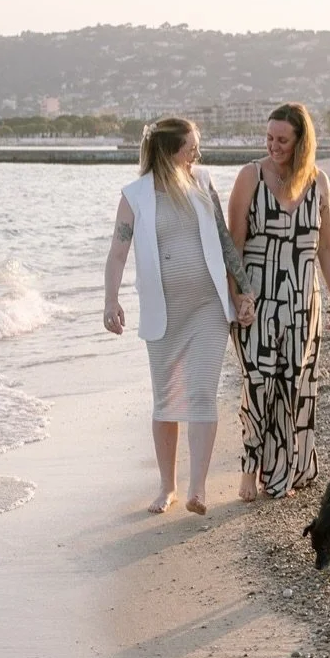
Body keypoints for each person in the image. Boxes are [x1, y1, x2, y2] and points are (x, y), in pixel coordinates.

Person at [103, 117, 255, 515]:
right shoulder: (135, 196)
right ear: (170, 152)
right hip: (164, 314)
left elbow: (224, 240)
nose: (197, 154)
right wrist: (110, 300)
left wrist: (243, 293)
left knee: (202, 393)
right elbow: (118, 253)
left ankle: (198, 488)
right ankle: (167, 486)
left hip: (208, 308)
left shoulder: (202, 182)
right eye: (191, 148)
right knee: (166, 400)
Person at [227, 103, 330, 502]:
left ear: (300, 141)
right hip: (257, 301)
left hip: (302, 302)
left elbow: (326, 247)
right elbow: (234, 248)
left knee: (294, 385)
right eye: (269, 138)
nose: (274, 146)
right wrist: (238, 297)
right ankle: (249, 469)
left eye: (282, 140)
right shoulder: (250, 177)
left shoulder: (319, 182)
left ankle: (283, 470)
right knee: (258, 384)